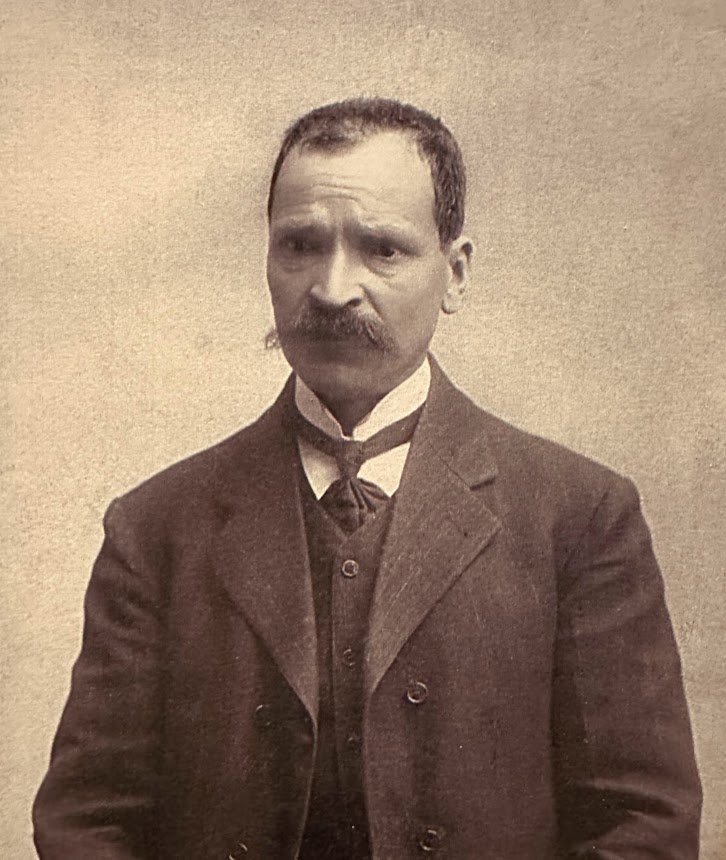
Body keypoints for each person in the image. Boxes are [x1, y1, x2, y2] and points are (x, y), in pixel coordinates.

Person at [33, 98, 702, 859]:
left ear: (454, 273)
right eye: (300, 245)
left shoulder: (579, 517)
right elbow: (87, 823)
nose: (332, 288)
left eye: (382, 249)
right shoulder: (156, 528)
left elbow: (644, 824)